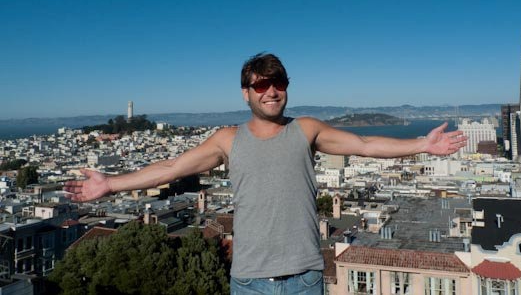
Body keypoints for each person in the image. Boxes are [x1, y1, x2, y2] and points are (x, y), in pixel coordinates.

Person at [65, 53, 468, 295]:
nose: (270, 91)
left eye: (278, 83)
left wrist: (421, 144)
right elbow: (171, 168)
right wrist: (110, 184)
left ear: (286, 87)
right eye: (260, 85)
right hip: (250, 281)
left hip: (306, 277)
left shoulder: (306, 129)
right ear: (246, 92)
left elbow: (364, 146)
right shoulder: (227, 139)